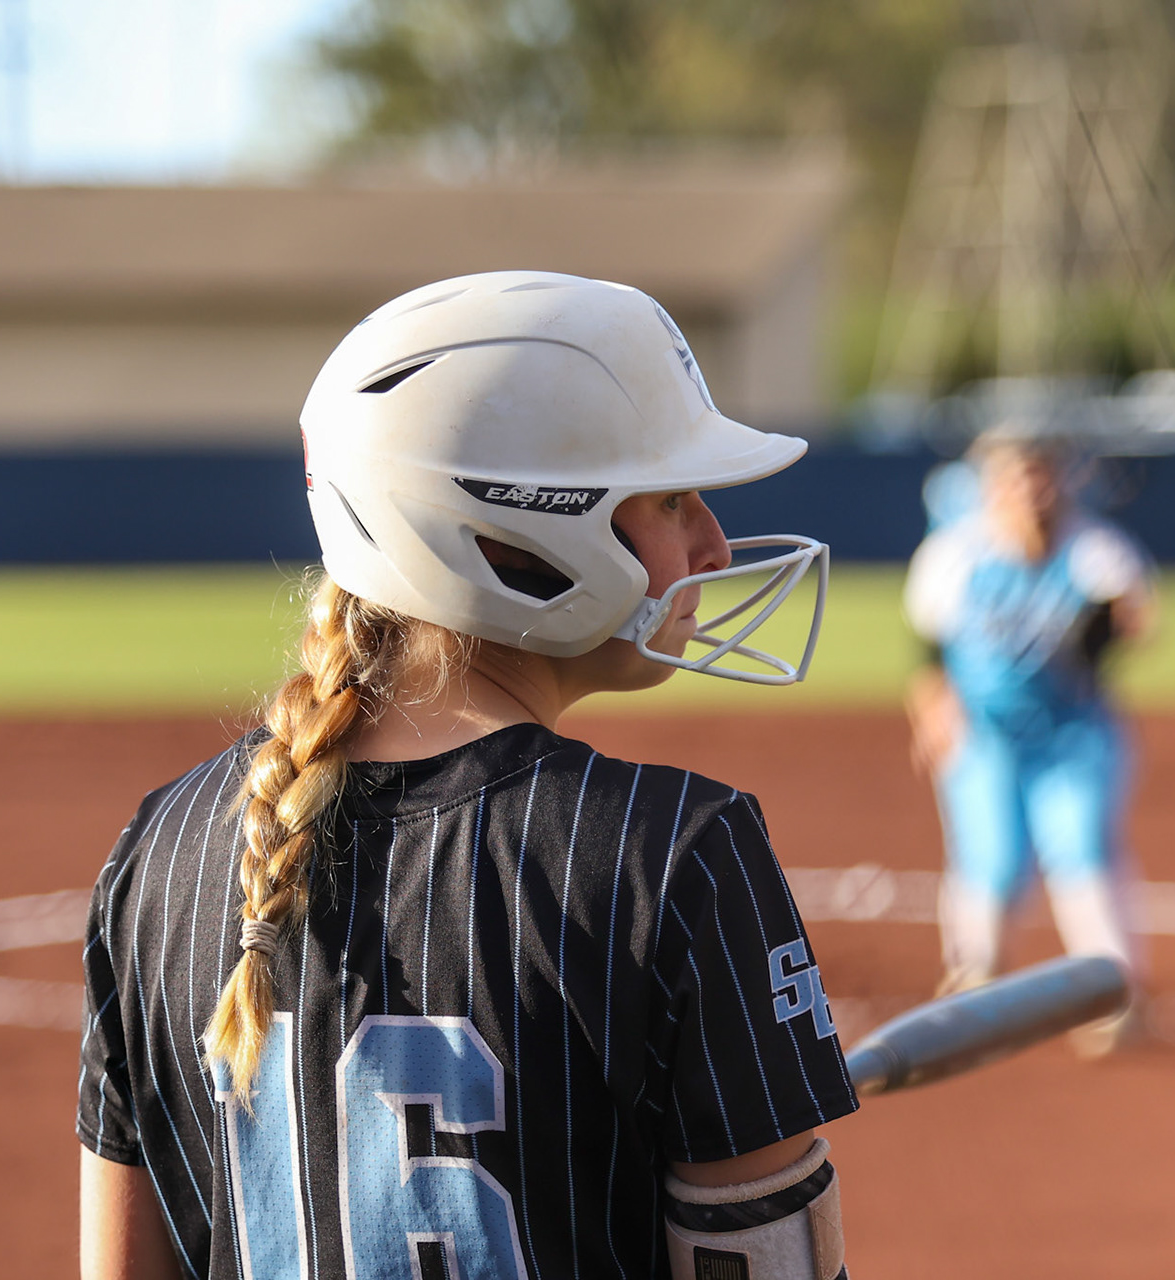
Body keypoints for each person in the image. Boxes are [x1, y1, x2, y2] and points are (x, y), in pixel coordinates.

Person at [78, 271, 857, 1280]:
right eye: (670, 499)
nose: (711, 540)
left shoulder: (161, 850)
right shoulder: (671, 854)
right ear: (516, 536)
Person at [902, 422, 1156, 1052]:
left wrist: (1119, 625)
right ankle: (971, 981)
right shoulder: (954, 554)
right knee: (988, 857)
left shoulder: (1096, 551)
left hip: (1072, 733)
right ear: (990, 485)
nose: (1030, 489)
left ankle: (1113, 991)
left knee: (1080, 850)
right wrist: (934, 713)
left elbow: (1136, 619)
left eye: (1042, 472)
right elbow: (928, 656)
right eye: (1016, 475)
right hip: (985, 735)